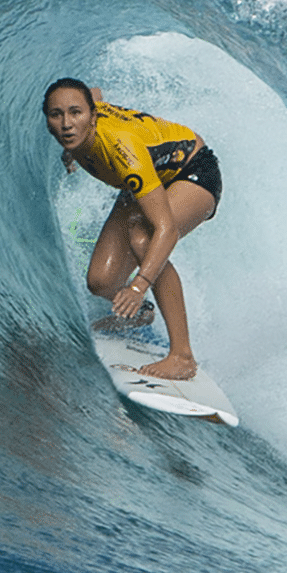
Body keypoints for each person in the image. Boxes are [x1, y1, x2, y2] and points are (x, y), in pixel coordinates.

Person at [42, 78, 221, 381]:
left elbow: (167, 229)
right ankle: (140, 314)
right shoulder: (83, 121)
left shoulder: (122, 151)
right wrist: (74, 149)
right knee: (100, 282)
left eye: (76, 114)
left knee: (144, 236)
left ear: (92, 116)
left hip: (193, 170)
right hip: (148, 178)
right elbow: (93, 93)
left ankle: (182, 357)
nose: (67, 124)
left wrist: (139, 284)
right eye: (57, 115)